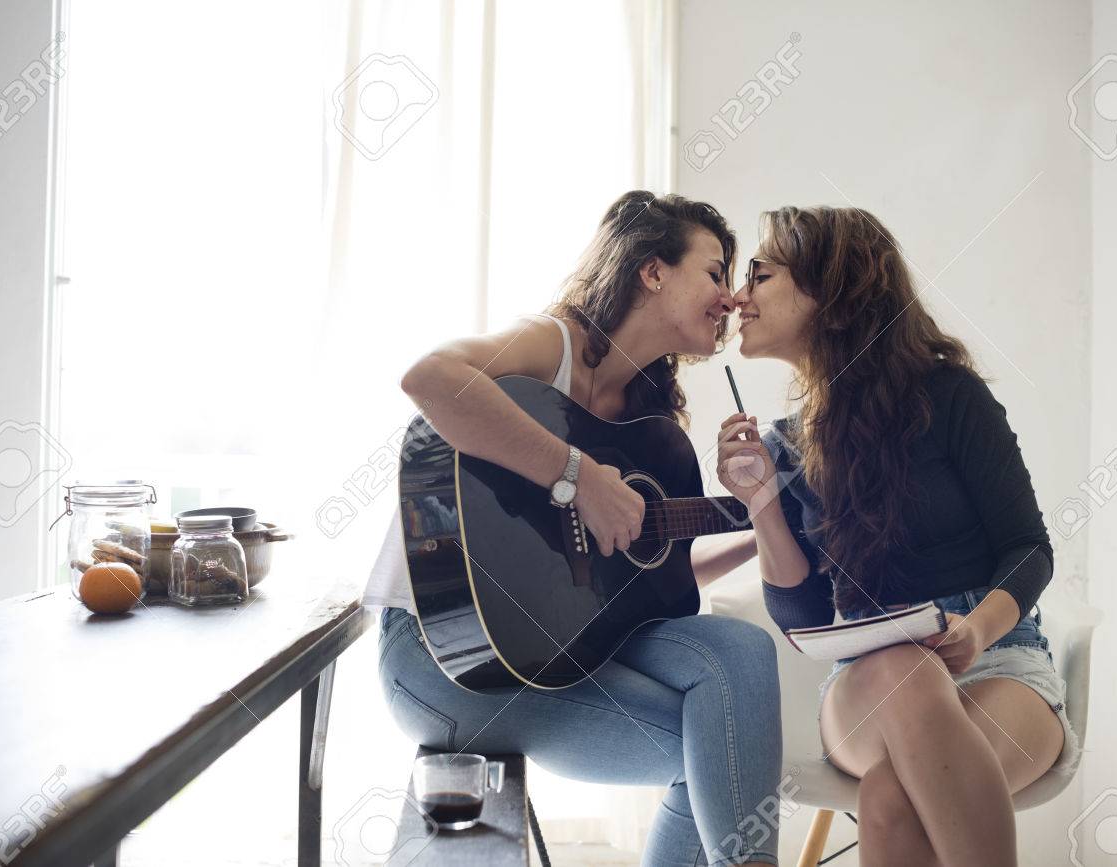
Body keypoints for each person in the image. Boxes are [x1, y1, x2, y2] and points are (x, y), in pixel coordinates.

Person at [363, 191, 784, 866]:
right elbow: (430, 378)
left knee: (741, 650)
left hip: (557, 646)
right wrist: (579, 478)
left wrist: (767, 523)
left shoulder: (646, 422)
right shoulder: (553, 345)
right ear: (653, 270)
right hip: (445, 656)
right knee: (721, 751)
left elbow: (645, 583)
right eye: (715, 272)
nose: (732, 298)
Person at [713, 205, 1079, 867]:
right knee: (903, 668)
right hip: (866, 681)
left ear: (832, 293)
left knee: (891, 796)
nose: (739, 297)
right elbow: (802, 615)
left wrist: (977, 630)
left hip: (1000, 658)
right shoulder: (785, 446)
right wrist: (762, 503)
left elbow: (1029, 548)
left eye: (760, 275)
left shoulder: (951, 396)